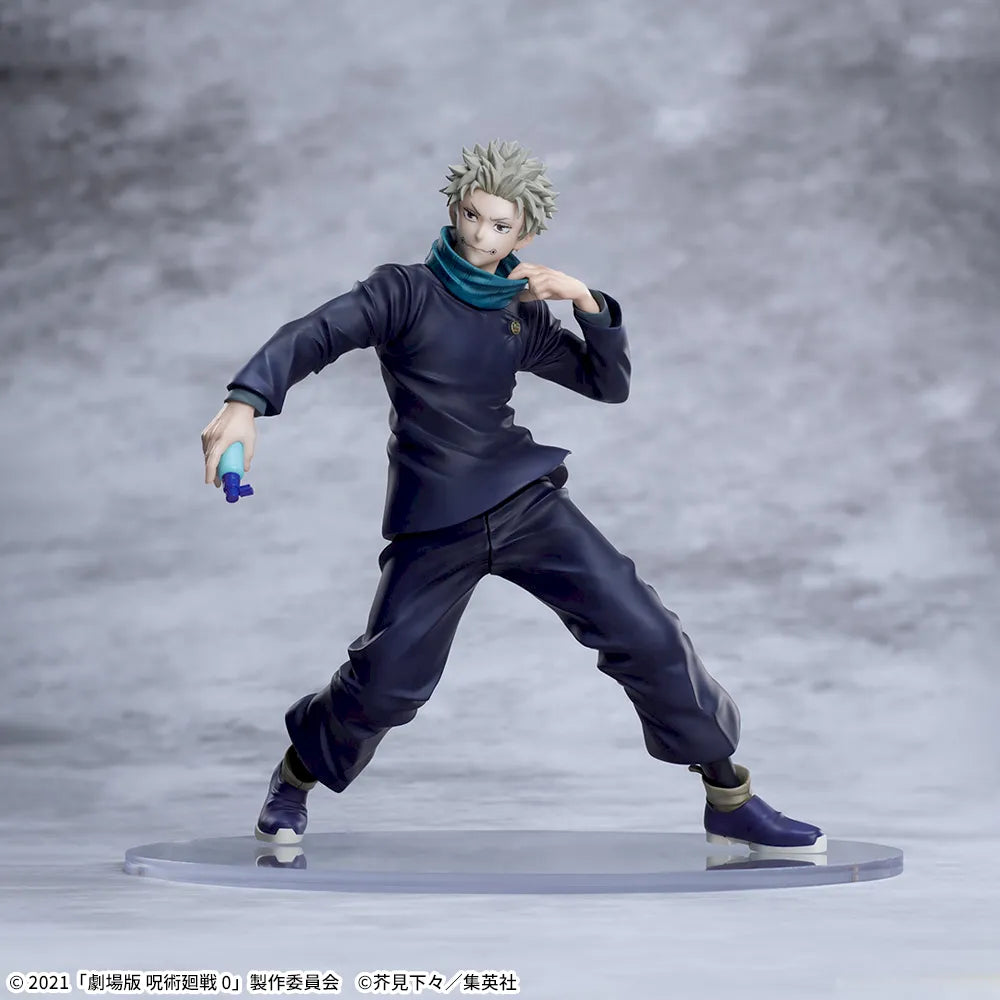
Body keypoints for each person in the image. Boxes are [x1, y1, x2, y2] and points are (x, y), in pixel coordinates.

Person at [200, 140, 825, 855]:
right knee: (388, 681)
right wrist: (246, 401)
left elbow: (606, 384)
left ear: (524, 237)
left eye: (500, 226)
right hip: (437, 519)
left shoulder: (519, 316)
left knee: (647, 632)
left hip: (526, 504)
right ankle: (294, 776)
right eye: (472, 215)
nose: (480, 235)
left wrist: (587, 302)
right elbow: (314, 334)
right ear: (453, 210)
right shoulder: (403, 292)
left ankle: (729, 797)